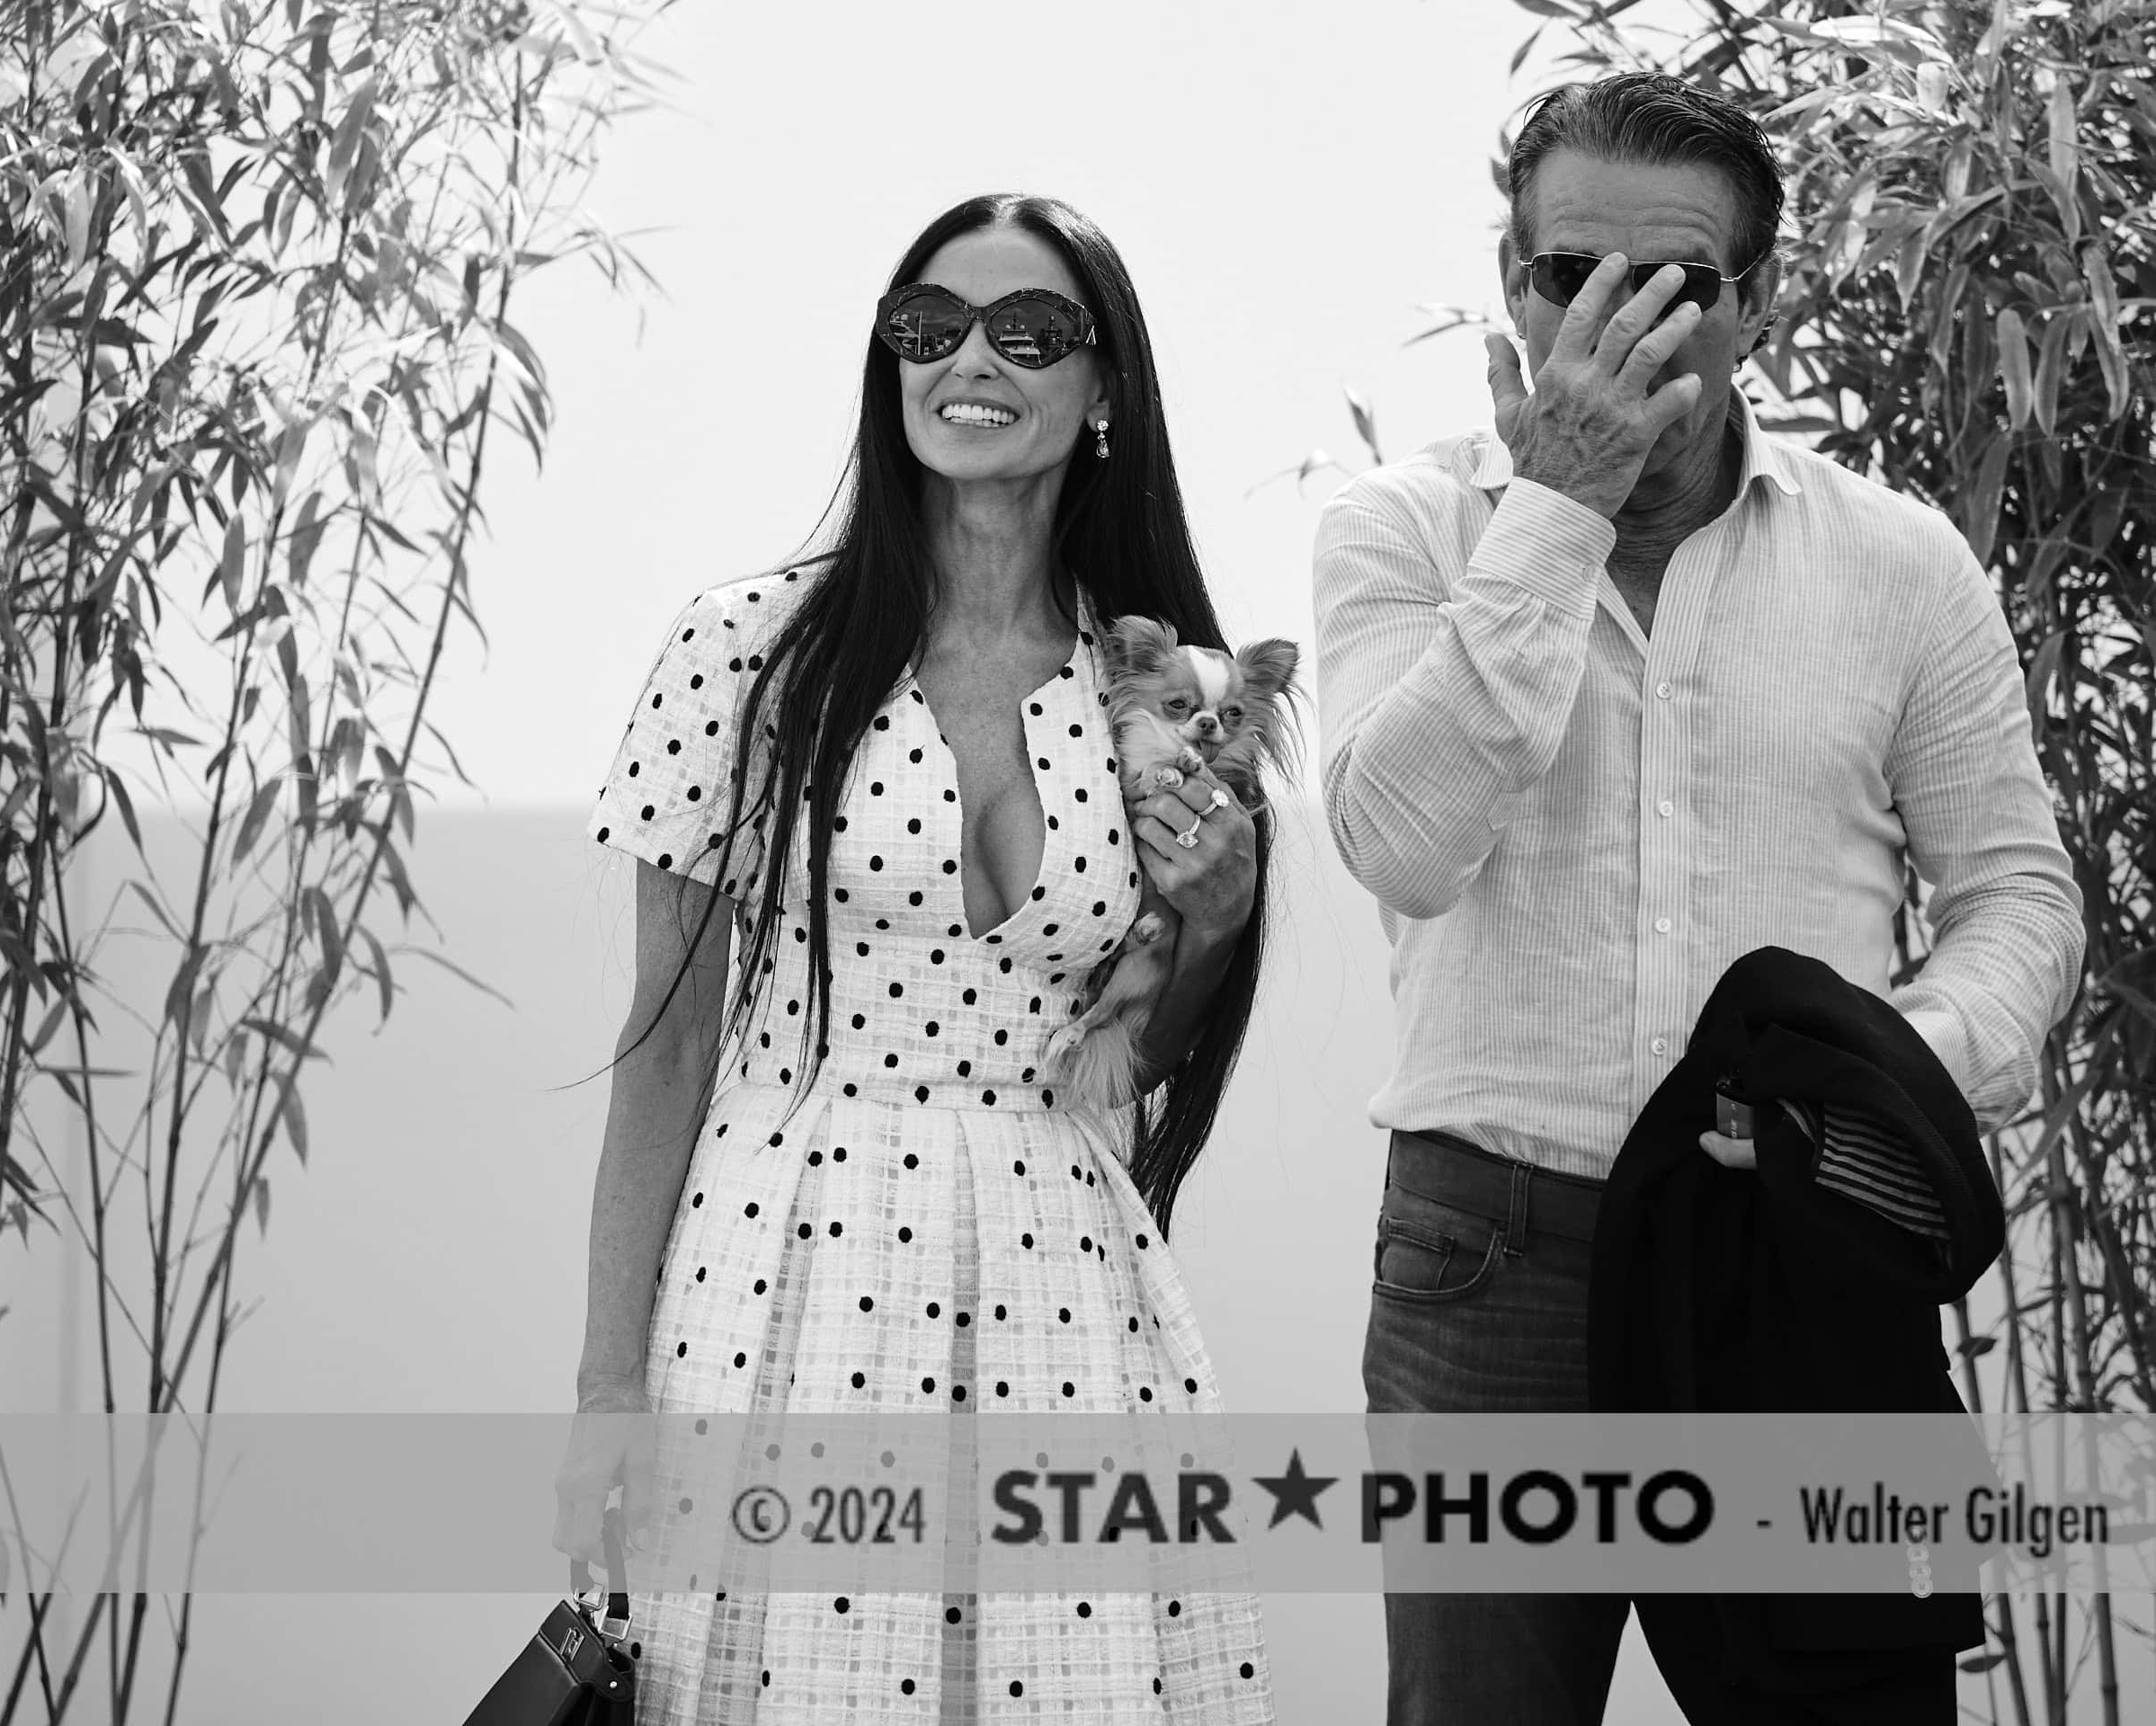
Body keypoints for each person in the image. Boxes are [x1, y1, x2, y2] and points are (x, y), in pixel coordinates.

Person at [1311, 72, 2083, 1726]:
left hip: (1808, 1247)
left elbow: (2018, 898)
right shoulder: (1404, 528)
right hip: (1489, 1265)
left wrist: (1873, 1091)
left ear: (1760, 299)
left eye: (1669, 286)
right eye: (1567, 277)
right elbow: (1398, 845)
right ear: (1511, 280)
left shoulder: (1899, 560)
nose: (1611, 323)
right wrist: (1557, 512)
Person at [555, 191, 1276, 1722]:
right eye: (928, 327)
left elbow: (1135, 1048)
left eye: (1029, 332)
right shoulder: (747, 650)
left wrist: (1210, 925)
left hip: (1068, 1296)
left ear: (1103, 394)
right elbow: (665, 1040)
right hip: (787, 1269)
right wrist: (609, 1395)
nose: (970, 360)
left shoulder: (1149, 681)